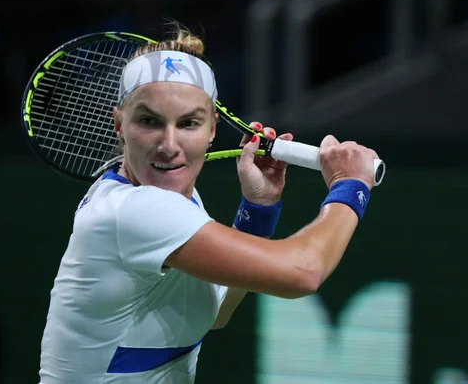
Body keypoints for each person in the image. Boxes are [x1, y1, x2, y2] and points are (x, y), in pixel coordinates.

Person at [38, 23, 380, 384]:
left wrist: (259, 210)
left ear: (212, 129)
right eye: (149, 121)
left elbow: (216, 312)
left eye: (188, 123)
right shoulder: (135, 211)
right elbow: (303, 272)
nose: (169, 145)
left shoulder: (174, 197)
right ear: (119, 124)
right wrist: (349, 184)